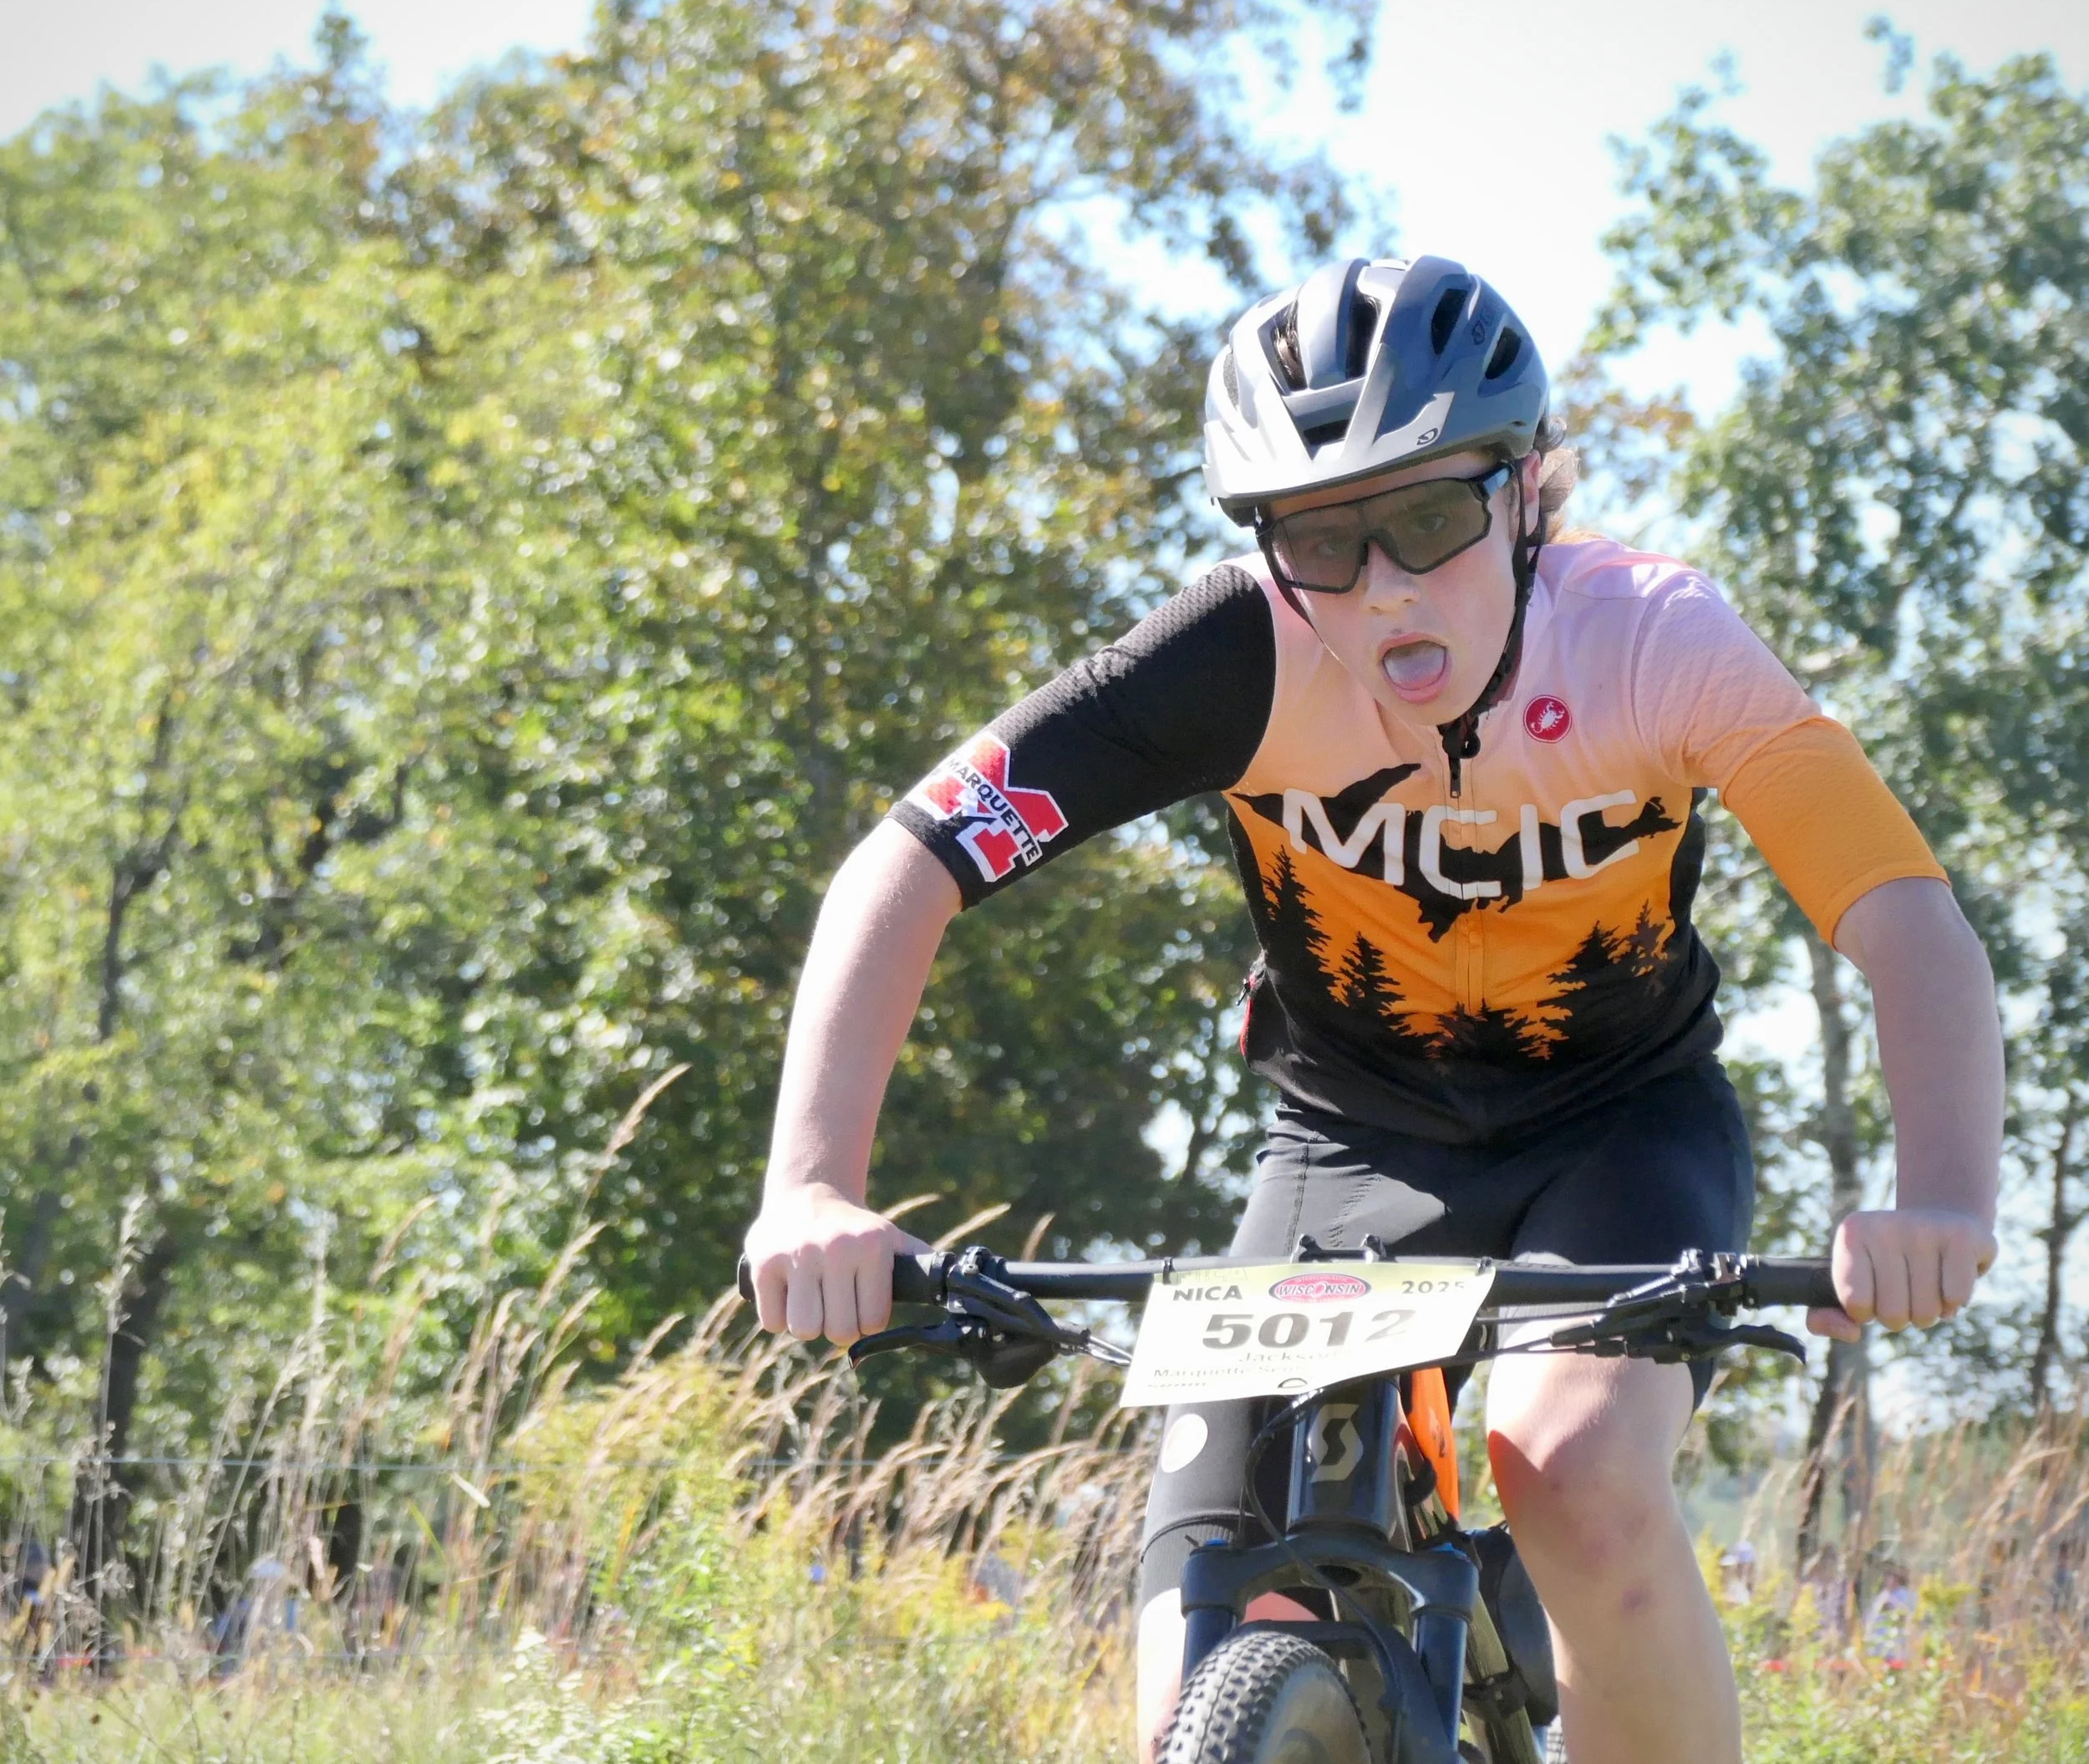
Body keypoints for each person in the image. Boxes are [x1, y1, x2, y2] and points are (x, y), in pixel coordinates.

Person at [742, 254, 2002, 1762]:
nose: (1386, 585)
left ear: (1527, 493)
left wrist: (1940, 1196)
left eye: (1427, 518)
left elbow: (1904, 916)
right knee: (1203, 1638)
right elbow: (912, 862)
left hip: (1617, 1133)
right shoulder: (1233, 661)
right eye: (1322, 544)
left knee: (1573, 1470)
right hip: (1345, 1147)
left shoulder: (1661, 644)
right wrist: (809, 1188)